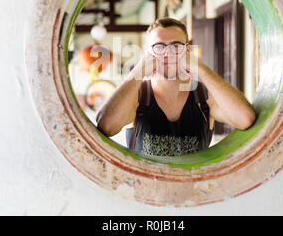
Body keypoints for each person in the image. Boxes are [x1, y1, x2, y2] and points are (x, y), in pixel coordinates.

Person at [96, 18, 256, 157]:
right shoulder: (137, 95)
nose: (168, 54)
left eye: (176, 46)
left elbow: (245, 119)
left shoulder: (203, 96)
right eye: (159, 47)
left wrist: (201, 69)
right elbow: (107, 126)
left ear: (187, 50)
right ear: (148, 53)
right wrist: (138, 71)